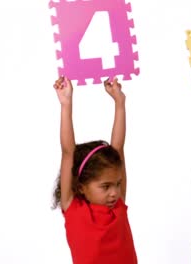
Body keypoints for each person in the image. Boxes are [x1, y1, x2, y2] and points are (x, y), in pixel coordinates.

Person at [52, 76, 137, 264]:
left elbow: (118, 147)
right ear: (81, 186)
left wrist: (120, 102)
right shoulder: (73, 209)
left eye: (117, 184)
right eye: (105, 186)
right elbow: (68, 152)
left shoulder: (117, 207)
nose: (115, 192)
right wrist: (66, 104)